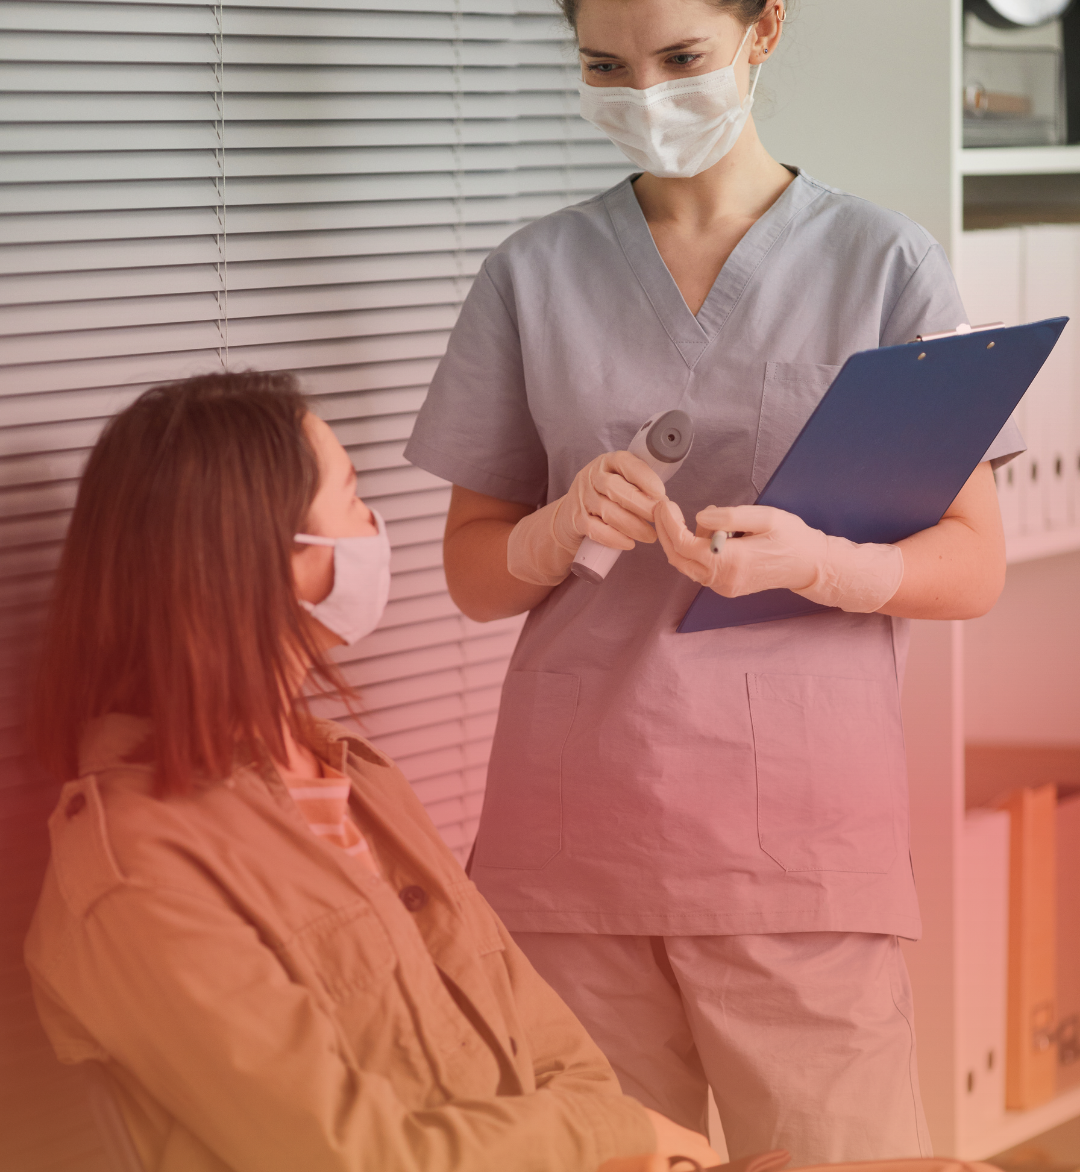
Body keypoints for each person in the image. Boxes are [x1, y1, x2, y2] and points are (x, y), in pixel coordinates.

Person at [403, 0, 1024, 1167]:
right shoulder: (531, 275)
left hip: (798, 849)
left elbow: (972, 564)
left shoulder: (883, 263)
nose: (646, 98)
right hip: (572, 843)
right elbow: (473, 571)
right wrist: (555, 527)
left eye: (679, 56)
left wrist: (833, 561)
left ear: (764, 31)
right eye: (606, 67)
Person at [23, 370, 720, 1172]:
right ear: (278, 559)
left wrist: (619, 1139)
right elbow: (350, 1155)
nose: (375, 528)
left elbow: (539, 1032)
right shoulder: (137, 873)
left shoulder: (353, 776)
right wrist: (612, 1137)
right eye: (352, 501)